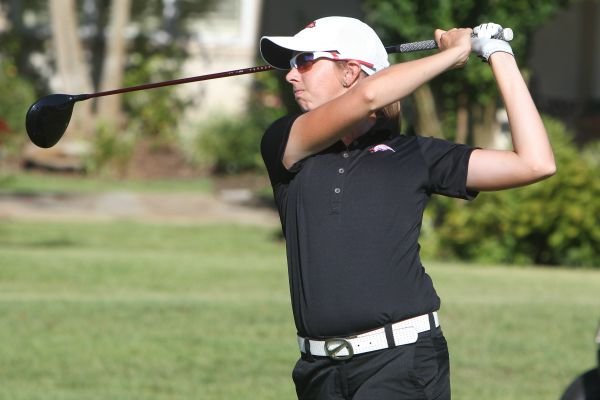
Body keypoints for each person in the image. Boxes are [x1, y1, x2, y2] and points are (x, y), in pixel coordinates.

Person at [259, 16, 556, 400]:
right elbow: (368, 97)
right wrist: (452, 55)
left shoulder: (416, 155)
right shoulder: (286, 145)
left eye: (305, 61)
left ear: (351, 71)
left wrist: (498, 54)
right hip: (318, 373)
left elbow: (536, 163)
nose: (290, 75)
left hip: (403, 364)